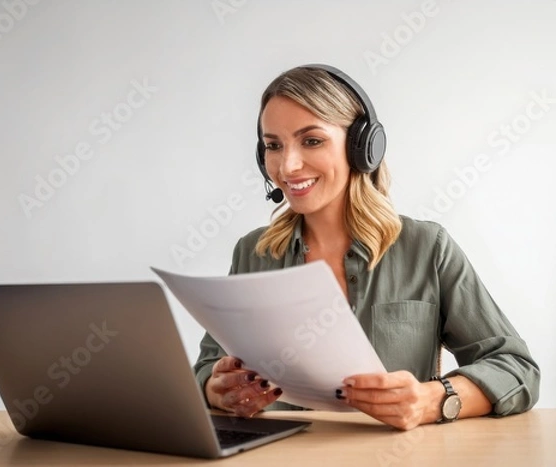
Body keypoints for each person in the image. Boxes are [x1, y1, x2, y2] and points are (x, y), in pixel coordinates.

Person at [193, 64, 540, 430]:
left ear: (362, 146)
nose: (288, 166)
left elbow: (515, 368)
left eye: (311, 140)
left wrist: (432, 401)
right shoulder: (253, 253)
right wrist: (215, 389)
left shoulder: (426, 248)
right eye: (273, 146)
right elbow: (207, 368)